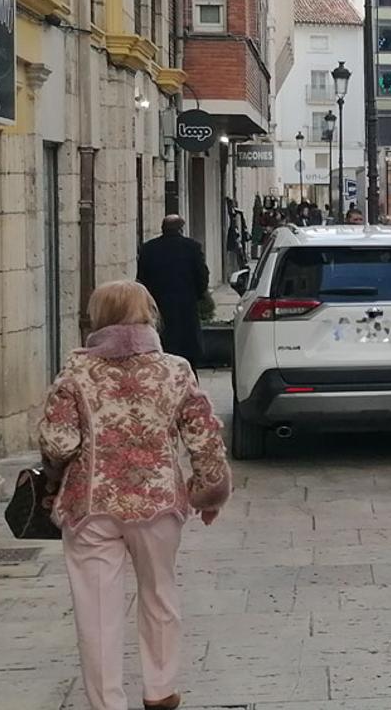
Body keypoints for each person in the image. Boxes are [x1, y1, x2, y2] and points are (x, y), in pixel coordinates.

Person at [39, 281, 231, 710]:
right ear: (148, 315)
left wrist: (59, 468)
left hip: (91, 505)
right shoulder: (176, 369)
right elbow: (204, 438)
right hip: (158, 502)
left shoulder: (75, 371)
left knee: (97, 609)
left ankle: (107, 703)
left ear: (97, 318)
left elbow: (58, 442)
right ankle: (160, 691)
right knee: (160, 593)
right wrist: (209, 492)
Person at [136, 216, 208, 369]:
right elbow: (202, 276)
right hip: (185, 307)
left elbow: (142, 279)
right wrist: (198, 296)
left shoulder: (148, 249)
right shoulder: (192, 247)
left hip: (158, 306)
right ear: (181, 229)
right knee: (187, 352)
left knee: (162, 349)